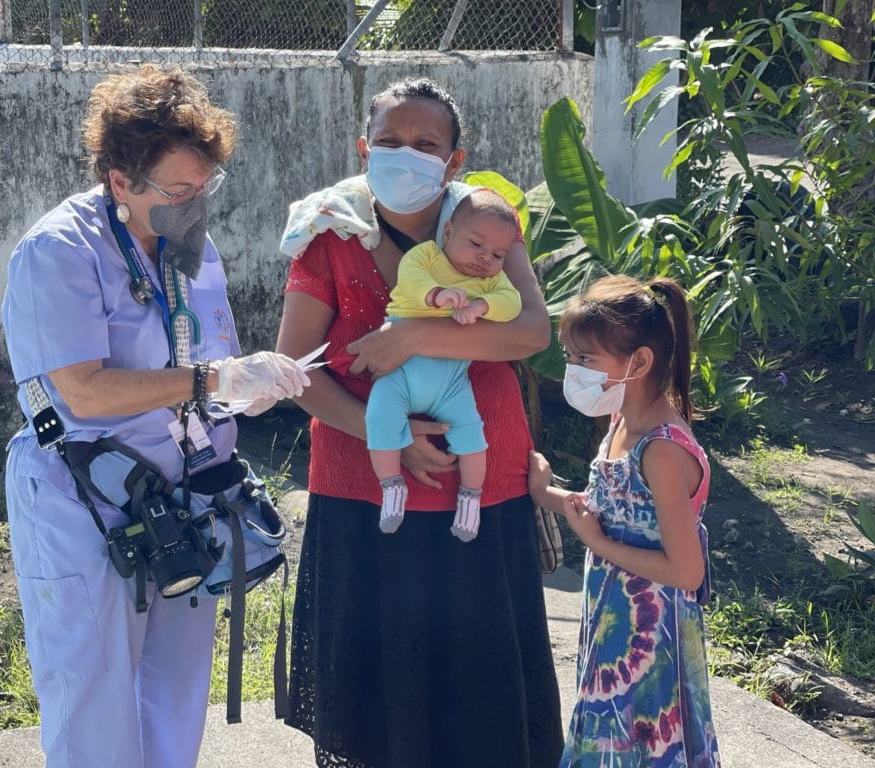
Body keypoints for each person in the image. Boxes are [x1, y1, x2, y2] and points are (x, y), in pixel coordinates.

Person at [1, 65, 309, 768]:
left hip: (184, 500)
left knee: (176, 694)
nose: (194, 205)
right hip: (87, 501)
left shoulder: (192, 250)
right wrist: (212, 380)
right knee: (95, 698)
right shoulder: (59, 252)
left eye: (205, 188)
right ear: (121, 182)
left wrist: (246, 388)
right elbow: (83, 392)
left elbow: (209, 359)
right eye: (178, 192)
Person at [275, 77, 565, 768]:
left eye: (426, 144)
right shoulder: (328, 234)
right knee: (382, 698)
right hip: (366, 487)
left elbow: (531, 332)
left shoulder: (488, 224)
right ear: (363, 149)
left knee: (482, 690)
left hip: (482, 484)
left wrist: (412, 337)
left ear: (454, 159)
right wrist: (392, 438)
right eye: (390, 140)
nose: (406, 153)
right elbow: (296, 369)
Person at [527, 274, 721, 767]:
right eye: (571, 357)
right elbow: (608, 512)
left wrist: (597, 544)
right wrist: (545, 493)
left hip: (651, 640)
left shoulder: (662, 450)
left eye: (585, 359)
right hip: (614, 623)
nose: (574, 370)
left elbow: (686, 572)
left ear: (640, 361)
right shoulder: (622, 421)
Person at [366, 188, 522, 541]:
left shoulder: (490, 282)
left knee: (472, 437)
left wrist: (482, 306)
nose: (485, 257)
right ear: (449, 232)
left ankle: (470, 498)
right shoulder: (427, 256)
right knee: (379, 418)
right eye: (476, 244)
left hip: (451, 381)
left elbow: (511, 302)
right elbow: (411, 277)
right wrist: (436, 295)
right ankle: (391, 487)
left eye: (497, 254)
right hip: (399, 371)